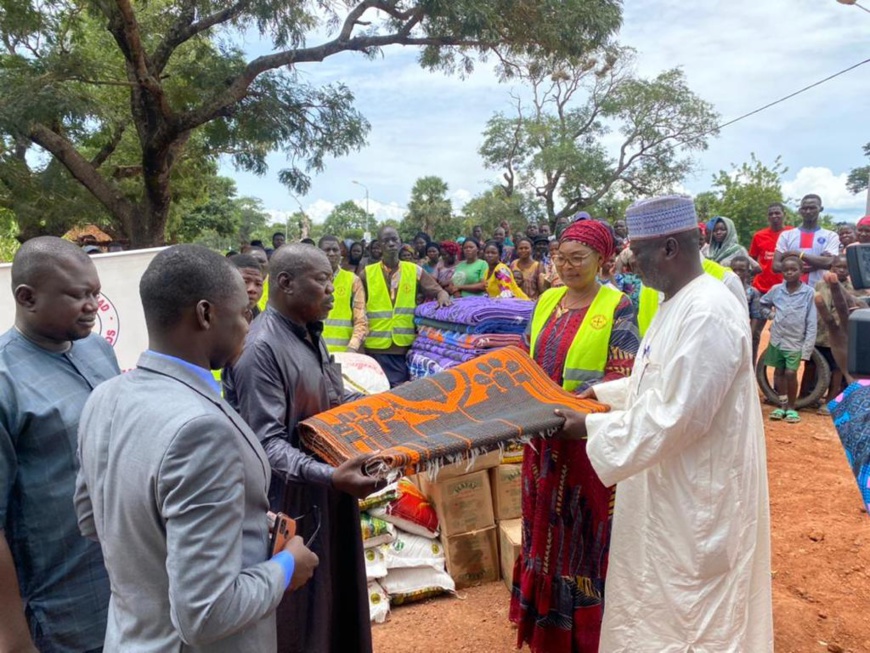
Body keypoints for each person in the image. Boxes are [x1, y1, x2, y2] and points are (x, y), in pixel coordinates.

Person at [553, 195, 773, 652]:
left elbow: (678, 415)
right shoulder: (675, 300)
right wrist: (603, 395)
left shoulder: (708, 310)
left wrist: (589, 428)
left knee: (694, 618)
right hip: (668, 488)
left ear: (671, 248)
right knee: (656, 608)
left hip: (698, 498)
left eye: (639, 251)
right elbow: (657, 378)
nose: (630, 263)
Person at [75, 245, 318, 651]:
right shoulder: (203, 429)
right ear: (205, 314)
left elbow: (92, 518)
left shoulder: (105, 396)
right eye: (243, 313)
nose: (248, 325)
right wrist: (287, 564)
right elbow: (206, 614)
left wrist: (237, 521)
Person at [225, 244, 382, 653]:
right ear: (286, 283)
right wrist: (330, 476)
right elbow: (267, 444)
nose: (333, 290)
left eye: (333, 279)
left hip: (328, 495)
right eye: (322, 280)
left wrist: (389, 409)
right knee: (300, 624)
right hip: (292, 508)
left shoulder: (310, 332)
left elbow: (329, 405)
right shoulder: (260, 349)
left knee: (334, 608)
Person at [510, 220, 639, 653]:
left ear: (602, 260)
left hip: (585, 443)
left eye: (577, 258)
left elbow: (624, 372)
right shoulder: (547, 299)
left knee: (579, 535)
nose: (566, 267)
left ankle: (580, 636)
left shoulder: (618, 305)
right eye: (560, 258)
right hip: (540, 438)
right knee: (538, 525)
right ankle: (541, 624)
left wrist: (581, 407)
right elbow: (526, 356)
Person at [0, 237, 120, 653]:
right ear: (27, 297)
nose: (92, 305)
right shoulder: (4, 380)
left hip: (127, 593)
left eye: (95, 293)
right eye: (77, 295)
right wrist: (13, 636)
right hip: (60, 613)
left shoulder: (98, 350)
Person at [360, 227, 451, 387]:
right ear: (379, 246)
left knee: (399, 391)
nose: (391, 244)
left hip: (403, 346)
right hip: (375, 346)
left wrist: (443, 296)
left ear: (400, 242)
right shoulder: (367, 273)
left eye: (394, 239)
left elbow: (437, 290)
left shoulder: (414, 270)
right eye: (385, 241)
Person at [759, 254, 817, 423]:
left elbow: (811, 322)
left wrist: (807, 348)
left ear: (802, 271)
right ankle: (782, 405)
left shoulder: (809, 293)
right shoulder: (776, 290)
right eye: (786, 270)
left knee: (791, 372)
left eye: (794, 269)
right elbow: (763, 303)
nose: (789, 273)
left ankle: (792, 407)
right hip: (777, 338)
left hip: (796, 341)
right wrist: (771, 315)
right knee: (778, 373)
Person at [813, 255, 854, 415]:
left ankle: (830, 400)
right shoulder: (819, 285)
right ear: (832, 268)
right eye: (838, 267)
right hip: (820, 331)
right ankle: (808, 396)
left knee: (837, 369)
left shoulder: (854, 288)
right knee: (814, 365)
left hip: (840, 336)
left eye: (845, 268)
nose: (841, 270)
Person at [774, 194, 839, 287]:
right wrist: (815, 263)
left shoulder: (830, 236)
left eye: (812, 208)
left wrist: (797, 254)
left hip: (820, 291)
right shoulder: (787, 235)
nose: (808, 211)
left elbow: (829, 263)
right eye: (804, 208)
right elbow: (775, 266)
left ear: (820, 209)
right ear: (800, 210)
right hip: (790, 293)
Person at [319, 235, 368, 353]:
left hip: (344, 354)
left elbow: (361, 321)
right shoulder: (307, 280)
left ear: (341, 253)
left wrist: (352, 349)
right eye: (327, 250)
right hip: (313, 355)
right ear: (318, 253)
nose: (331, 254)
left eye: (335, 250)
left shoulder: (352, 280)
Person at [730, 255, 764, 363]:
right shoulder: (724, 287)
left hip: (743, 329)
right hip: (727, 329)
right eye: (734, 270)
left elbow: (755, 316)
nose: (738, 273)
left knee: (746, 360)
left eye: (742, 270)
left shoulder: (752, 292)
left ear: (748, 272)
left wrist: (749, 334)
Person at [229, 253, 266, 319]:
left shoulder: (261, 318)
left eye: (258, 284)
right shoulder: (212, 319)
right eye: (245, 282)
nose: (252, 289)